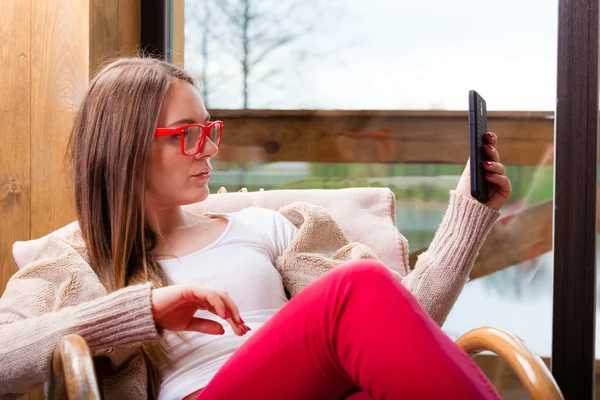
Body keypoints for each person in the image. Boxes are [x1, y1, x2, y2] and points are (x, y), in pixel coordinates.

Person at [0, 57, 511, 400]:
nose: (211, 149)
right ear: (123, 145)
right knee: (354, 287)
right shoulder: (70, 262)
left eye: (210, 129)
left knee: (364, 300)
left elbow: (401, 323)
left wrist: (469, 210)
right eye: (188, 134)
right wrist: (144, 311)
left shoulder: (269, 227)